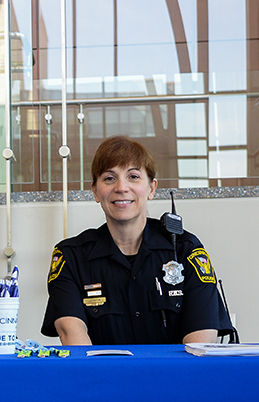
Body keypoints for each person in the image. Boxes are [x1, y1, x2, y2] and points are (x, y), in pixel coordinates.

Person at [41, 135, 233, 346]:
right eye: (109, 178)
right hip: (102, 379)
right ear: (95, 191)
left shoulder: (186, 250)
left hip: (173, 378)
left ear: (151, 188)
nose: (121, 187)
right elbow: (72, 337)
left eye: (133, 176)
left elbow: (200, 345)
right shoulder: (71, 257)